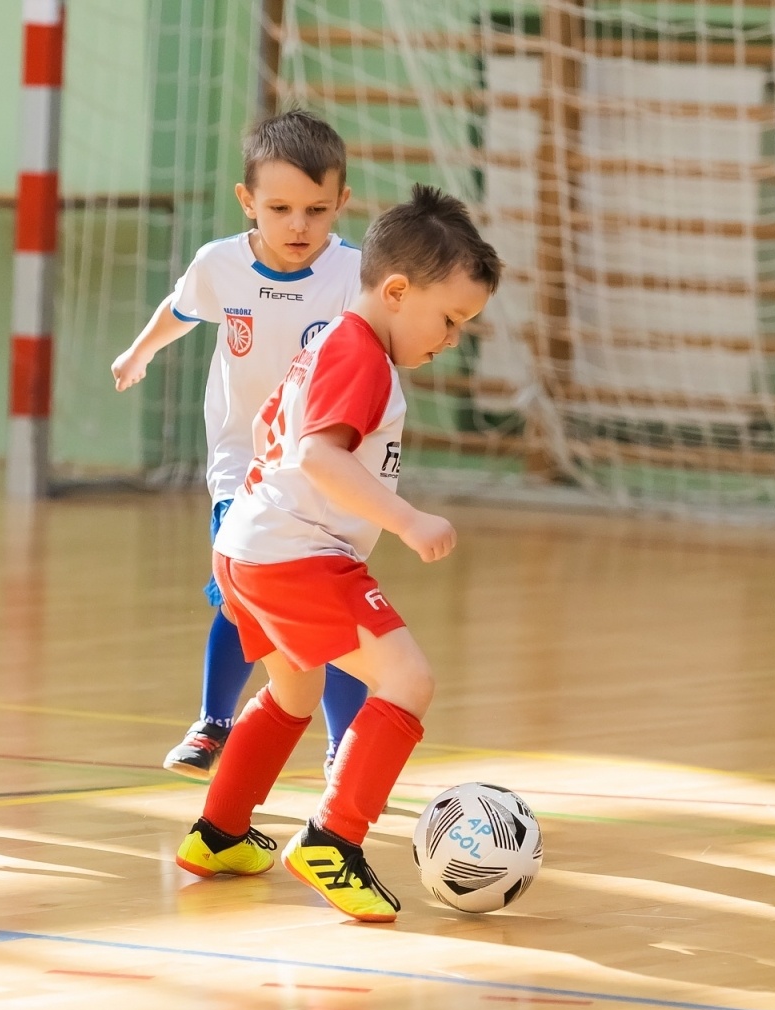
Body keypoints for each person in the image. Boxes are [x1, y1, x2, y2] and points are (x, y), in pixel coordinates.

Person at [173, 184, 501, 922]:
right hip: (296, 556)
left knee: (292, 692)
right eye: (447, 320)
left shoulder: (328, 339)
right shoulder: (363, 356)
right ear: (394, 289)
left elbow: (272, 425)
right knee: (408, 680)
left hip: (249, 547)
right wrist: (408, 520)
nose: (448, 340)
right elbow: (322, 456)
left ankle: (220, 833)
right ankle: (333, 841)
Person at [111, 110, 369, 780]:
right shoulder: (219, 264)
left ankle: (344, 748)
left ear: (342, 201)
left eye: (317, 209)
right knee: (238, 590)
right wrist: (140, 351)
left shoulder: (356, 277)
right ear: (246, 200)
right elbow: (181, 308)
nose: (298, 226)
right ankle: (213, 724)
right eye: (280, 208)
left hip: (329, 473)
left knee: (332, 607)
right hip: (244, 468)